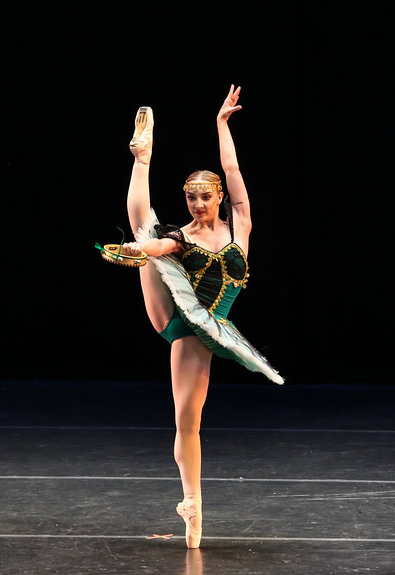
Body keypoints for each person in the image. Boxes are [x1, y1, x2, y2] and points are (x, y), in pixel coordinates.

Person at [124, 85, 284, 549]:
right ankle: (142, 157)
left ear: (218, 197)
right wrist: (141, 249)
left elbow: (232, 170)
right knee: (145, 229)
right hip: (179, 320)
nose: (197, 204)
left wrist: (221, 125)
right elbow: (162, 244)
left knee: (191, 421)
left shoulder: (239, 226)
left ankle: (192, 507)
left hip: (215, 324)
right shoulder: (183, 234)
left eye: (204, 196)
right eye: (191, 197)